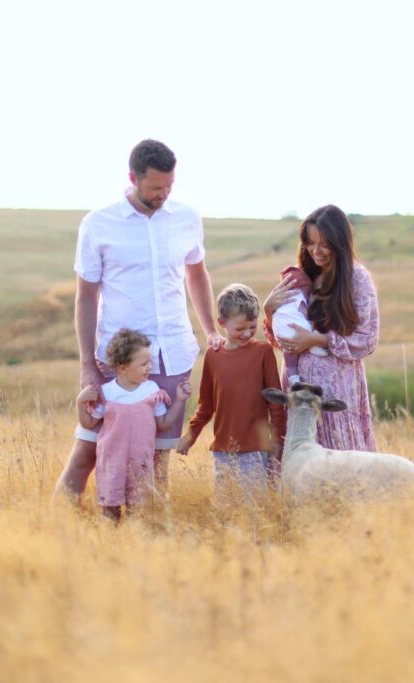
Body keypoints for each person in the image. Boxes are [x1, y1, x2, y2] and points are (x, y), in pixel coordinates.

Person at [54, 139, 222, 504]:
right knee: (88, 449)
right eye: (155, 188)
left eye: (169, 187)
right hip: (119, 359)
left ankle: (149, 535)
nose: (163, 194)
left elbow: (196, 275)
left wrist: (210, 330)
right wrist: (87, 367)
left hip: (172, 355)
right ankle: (56, 527)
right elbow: (86, 297)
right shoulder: (98, 224)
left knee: (157, 458)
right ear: (133, 177)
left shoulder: (186, 218)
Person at [263, 204, 379, 452]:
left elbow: (367, 339)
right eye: (310, 243)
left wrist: (317, 340)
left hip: (337, 386)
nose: (316, 250)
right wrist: (269, 311)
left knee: (339, 462)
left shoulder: (357, 278)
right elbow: (282, 339)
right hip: (298, 384)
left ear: (339, 242)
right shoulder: (302, 277)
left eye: (324, 244)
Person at [176, 284, 286, 498]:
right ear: (222, 323)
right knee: (226, 509)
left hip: (257, 449)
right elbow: (206, 405)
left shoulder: (263, 352)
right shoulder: (212, 357)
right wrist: (191, 435)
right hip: (223, 451)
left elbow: (276, 403)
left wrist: (278, 441)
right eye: (239, 329)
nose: (246, 333)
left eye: (252, 327)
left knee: (255, 510)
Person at [76, 329, 192, 521]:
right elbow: (88, 423)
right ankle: (111, 542)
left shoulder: (151, 390)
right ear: (123, 368)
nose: (149, 368)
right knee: (110, 509)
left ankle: (134, 544)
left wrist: (179, 400)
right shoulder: (107, 393)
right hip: (112, 461)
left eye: (150, 362)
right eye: (144, 364)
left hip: (140, 461)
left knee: (136, 511)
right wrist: (81, 402)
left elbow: (163, 423)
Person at [270, 264, 328, 385]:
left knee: (290, 362)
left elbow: (276, 322)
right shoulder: (299, 299)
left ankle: (294, 379)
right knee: (309, 328)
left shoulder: (281, 302)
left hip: (283, 335)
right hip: (297, 332)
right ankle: (314, 347)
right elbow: (305, 315)